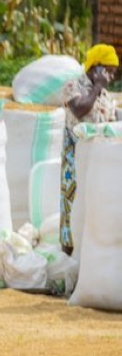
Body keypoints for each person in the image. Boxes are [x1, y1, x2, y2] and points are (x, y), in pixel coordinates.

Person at [60, 44, 119, 256]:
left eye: (113, 73)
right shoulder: (73, 86)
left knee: (93, 207)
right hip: (75, 155)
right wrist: (96, 88)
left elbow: (112, 119)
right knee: (72, 203)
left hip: (98, 160)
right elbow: (79, 108)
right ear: (97, 68)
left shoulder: (105, 95)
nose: (110, 78)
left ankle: (89, 255)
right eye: (108, 72)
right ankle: (68, 256)